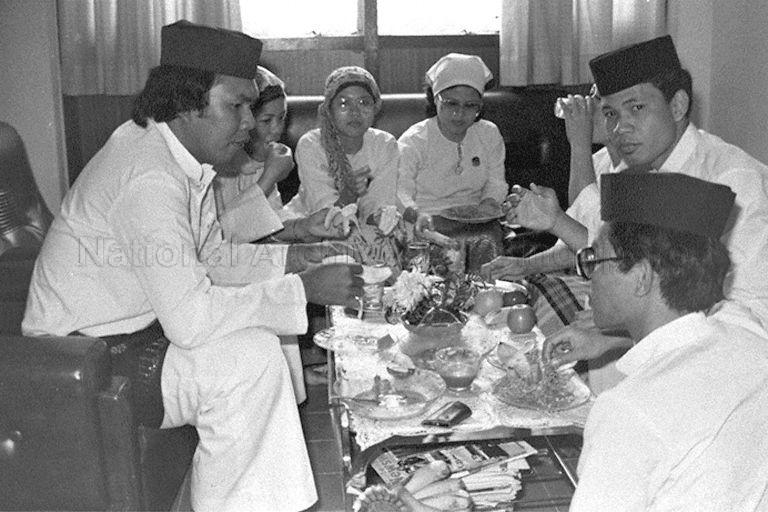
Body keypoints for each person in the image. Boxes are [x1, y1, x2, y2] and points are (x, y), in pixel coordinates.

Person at [22, 20, 363, 512]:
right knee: (250, 362)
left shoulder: (175, 156)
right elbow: (192, 320)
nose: (250, 122)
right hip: (85, 359)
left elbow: (209, 257)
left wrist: (291, 257)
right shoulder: (149, 177)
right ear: (187, 104)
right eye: (237, 106)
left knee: (261, 348)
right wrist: (303, 289)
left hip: (133, 331)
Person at [486, 35, 768, 367]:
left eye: (636, 107)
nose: (620, 128)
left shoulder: (735, 181)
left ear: (677, 105)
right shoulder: (627, 164)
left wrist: (620, 334)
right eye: (610, 113)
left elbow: (751, 319)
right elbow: (606, 250)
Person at [564, 172, 768, 511]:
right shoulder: (752, 344)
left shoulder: (626, 412)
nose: (588, 278)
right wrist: (614, 339)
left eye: (595, 260)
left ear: (642, 278)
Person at [284, 65, 404, 266]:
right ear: (328, 110)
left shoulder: (384, 144)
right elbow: (324, 212)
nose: (355, 112)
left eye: (364, 102)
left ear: (376, 108)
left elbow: (380, 203)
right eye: (343, 104)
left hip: (366, 228)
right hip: (311, 228)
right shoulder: (312, 145)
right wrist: (348, 196)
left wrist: (382, 219)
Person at [214, 65, 347, 244]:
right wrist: (268, 178)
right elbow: (221, 235)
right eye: (266, 120)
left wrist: (303, 227)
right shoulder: (216, 166)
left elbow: (267, 222)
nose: (277, 131)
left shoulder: (261, 161)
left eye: (281, 118)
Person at [397, 53, 508, 225]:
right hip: (425, 224)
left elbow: (496, 182)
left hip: (476, 223)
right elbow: (400, 191)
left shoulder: (488, 134)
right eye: (451, 103)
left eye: (470, 106)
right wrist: (417, 216)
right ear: (435, 100)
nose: (460, 114)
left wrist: (489, 204)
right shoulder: (414, 141)